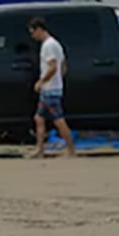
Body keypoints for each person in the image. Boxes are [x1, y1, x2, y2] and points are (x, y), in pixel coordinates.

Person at [29, 17, 75, 159]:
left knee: (58, 120)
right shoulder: (55, 44)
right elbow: (63, 66)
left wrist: (41, 82)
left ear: (39, 29)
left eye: (32, 32)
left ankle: (71, 150)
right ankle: (40, 149)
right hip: (50, 88)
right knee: (39, 118)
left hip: (50, 90)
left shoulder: (49, 45)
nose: (32, 36)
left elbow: (53, 67)